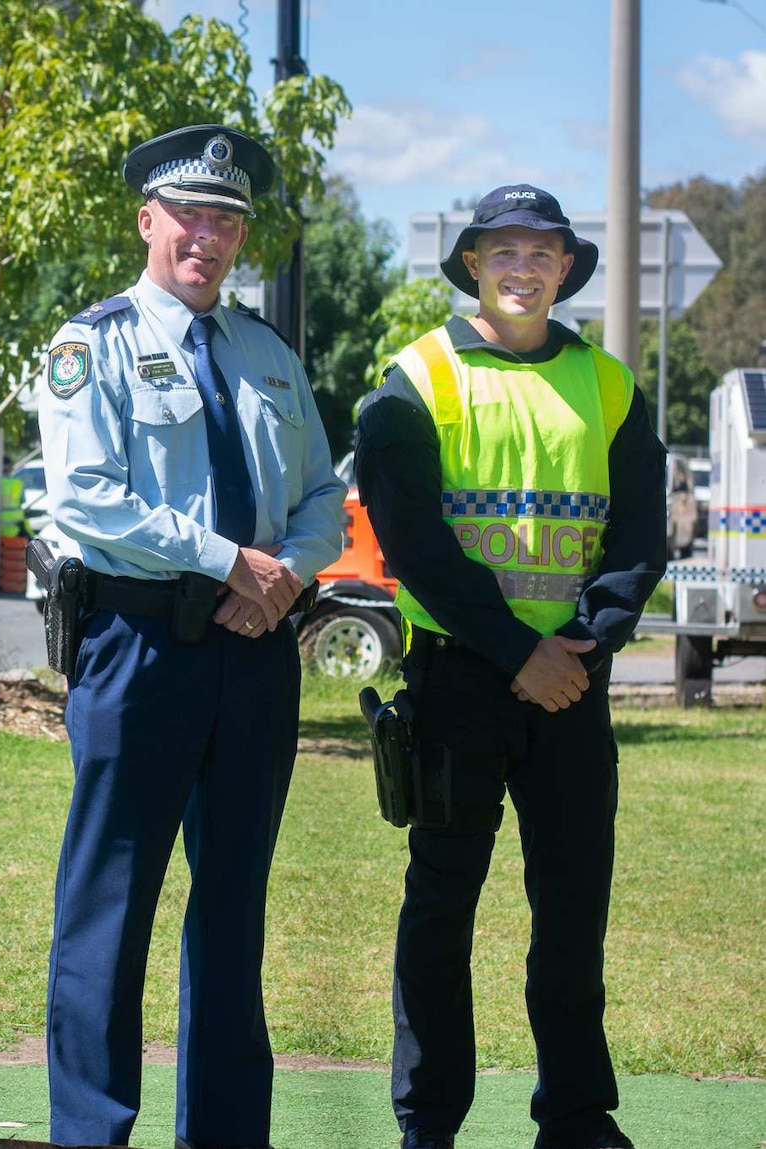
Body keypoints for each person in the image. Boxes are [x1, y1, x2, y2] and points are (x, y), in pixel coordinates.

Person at [38, 124, 345, 1149]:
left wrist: (287, 574)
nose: (206, 237)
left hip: (256, 655)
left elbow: (319, 500)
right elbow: (89, 499)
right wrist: (228, 562)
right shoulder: (96, 343)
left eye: (226, 220)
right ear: (147, 221)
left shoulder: (267, 355)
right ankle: (93, 1134)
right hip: (140, 650)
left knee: (232, 913)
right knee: (108, 911)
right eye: (188, 216)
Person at [355, 185, 667, 1149]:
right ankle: (430, 1123)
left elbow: (640, 535)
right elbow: (413, 545)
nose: (523, 267)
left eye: (542, 251)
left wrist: (582, 640)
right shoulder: (415, 379)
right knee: (440, 910)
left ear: (566, 267)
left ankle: (575, 1119)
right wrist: (515, 650)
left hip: (572, 681)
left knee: (572, 912)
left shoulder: (611, 385)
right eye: (503, 252)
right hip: (457, 685)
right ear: (473, 267)